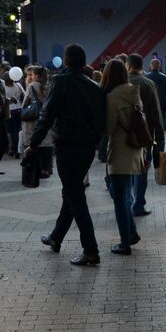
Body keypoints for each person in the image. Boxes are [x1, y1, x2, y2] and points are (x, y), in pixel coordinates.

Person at [32, 43, 105, 266]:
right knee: (71, 193)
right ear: (84, 62)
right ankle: (56, 237)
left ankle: (91, 249)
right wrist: (94, 142)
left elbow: (47, 115)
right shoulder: (94, 86)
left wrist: (33, 143)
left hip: (66, 146)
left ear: (65, 61)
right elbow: (100, 120)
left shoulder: (60, 82)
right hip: (86, 149)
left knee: (75, 196)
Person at [102, 59, 144, 255]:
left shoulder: (112, 97)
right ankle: (132, 233)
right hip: (134, 149)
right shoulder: (133, 92)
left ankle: (125, 242)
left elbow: (109, 128)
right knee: (124, 194)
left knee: (119, 198)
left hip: (119, 150)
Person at [125, 54, 165, 217]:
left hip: (123, 134)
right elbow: (156, 112)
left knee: (126, 170)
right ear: (142, 66)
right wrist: (160, 137)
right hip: (144, 134)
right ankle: (138, 204)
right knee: (142, 169)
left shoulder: (120, 82)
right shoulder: (148, 84)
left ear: (128, 65)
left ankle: (127, 201)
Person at [20, 66, 54, 177]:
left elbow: (25, 103)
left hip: (33, 119)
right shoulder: (49, 86)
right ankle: (46, 169)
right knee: (46, 143)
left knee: (33, 143)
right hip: (45, 118)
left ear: (37, 76)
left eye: (33, 75)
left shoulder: (32, 86)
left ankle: (35, 169)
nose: (31, 77)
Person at [145, 57, 166, 130]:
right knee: (161, 126)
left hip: (148, 105)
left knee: (149, 127)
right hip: (162, 105)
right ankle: (160, 140)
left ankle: (150, 140)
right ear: (159, 66)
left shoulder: (145, 77)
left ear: (150, 66)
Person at [4, 69, 25, 157]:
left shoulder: (4, 87)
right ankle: (18, 150)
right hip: (19, 109)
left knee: (11, 131)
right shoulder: (18, 85)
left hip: (9, 110)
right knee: (18, 130)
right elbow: (24, 94)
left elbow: (3, 99)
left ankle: (12, 148)